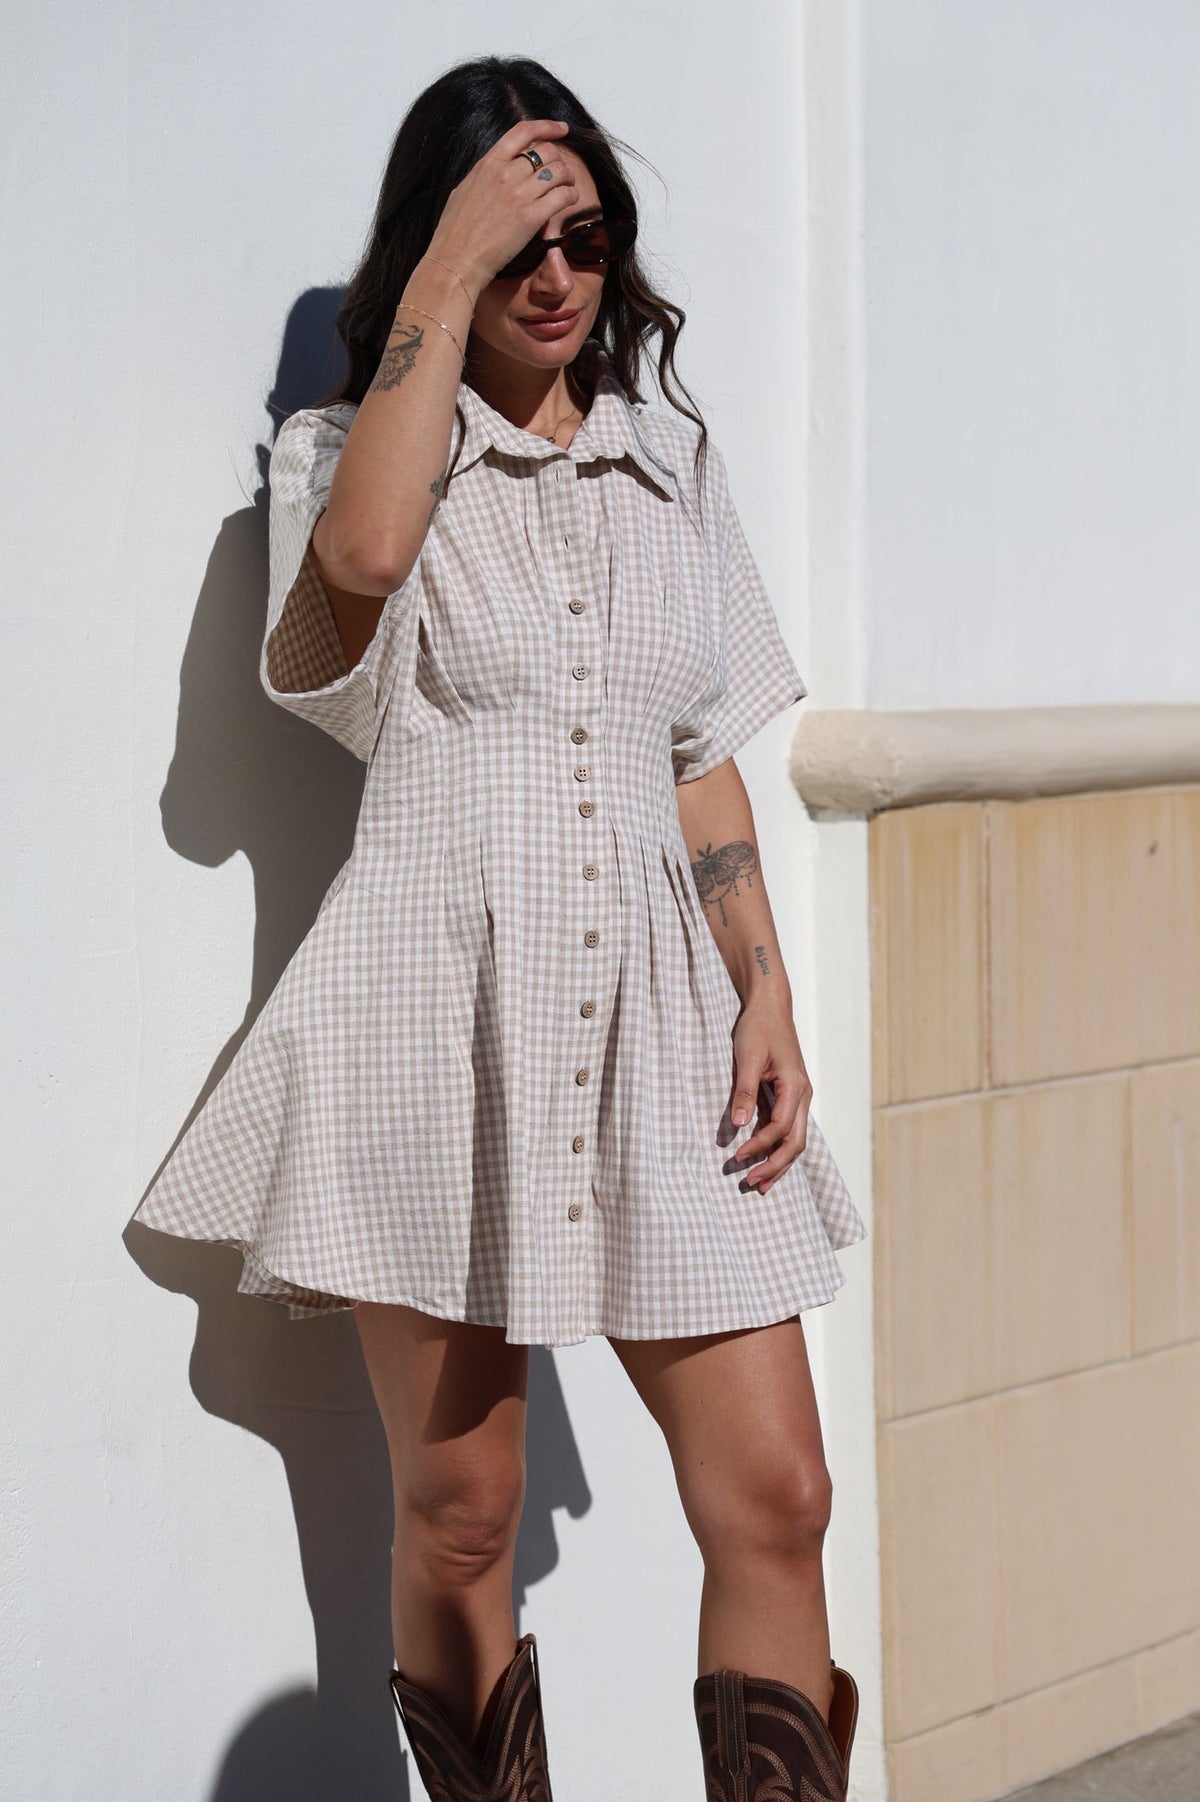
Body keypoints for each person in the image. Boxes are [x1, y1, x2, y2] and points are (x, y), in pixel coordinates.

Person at [134, 53, 867, 1802]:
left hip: (665, 1031)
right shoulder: (349, 452)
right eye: (514, 237)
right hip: (435, 1017)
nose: (557, 274)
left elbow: (700, 762)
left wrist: (764, 987)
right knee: (462, 1514)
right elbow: (369, 564)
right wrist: (447, 278)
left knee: (778, 1495)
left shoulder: (670, 464)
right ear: (442, 245)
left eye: (582, 234)